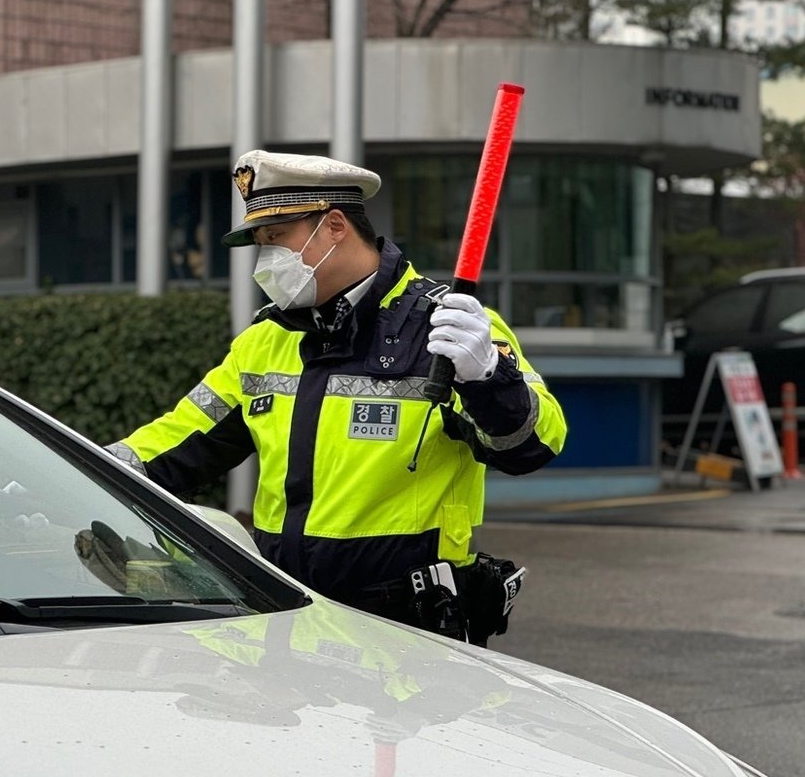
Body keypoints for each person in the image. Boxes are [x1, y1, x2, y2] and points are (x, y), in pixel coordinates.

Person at [104, 150, 567, 643]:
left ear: (336, 226)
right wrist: (69, 473)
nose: (267, 260)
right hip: (287, 621)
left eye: (277, 238)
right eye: (261, 243)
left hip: (407, 633)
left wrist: (488, 378)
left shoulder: (451, 330)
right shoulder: (266, 339)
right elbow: (176, 443)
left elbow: (533, 446)